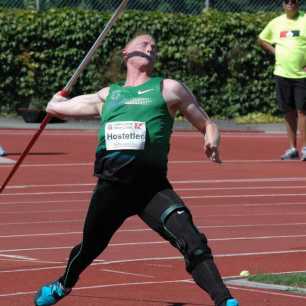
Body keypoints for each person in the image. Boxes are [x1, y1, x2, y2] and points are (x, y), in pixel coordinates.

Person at [34, 34, 239, 306]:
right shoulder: (107, 95)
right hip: (111, 187)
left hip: (151, 188)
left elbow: (207, 123)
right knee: (89, 248)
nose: (150, 47)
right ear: (125, 53)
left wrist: (211, 138)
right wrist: (56, 98)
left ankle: (225, 301)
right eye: (143, 43)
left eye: (154, 46)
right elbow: (55, 108)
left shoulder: (169, 88)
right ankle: (63, 284)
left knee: (193, 241)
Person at [258, 0, 306, 161]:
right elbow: (262, 39)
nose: (291, 4)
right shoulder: (276, 22)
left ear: (298, 4)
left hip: (302, 75)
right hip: (282, 73)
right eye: (287, 1)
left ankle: (305, 148)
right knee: (288, 112)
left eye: (294, 1)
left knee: (303, 111)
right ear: (283, 5)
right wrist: (275, 52)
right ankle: (293, 149)